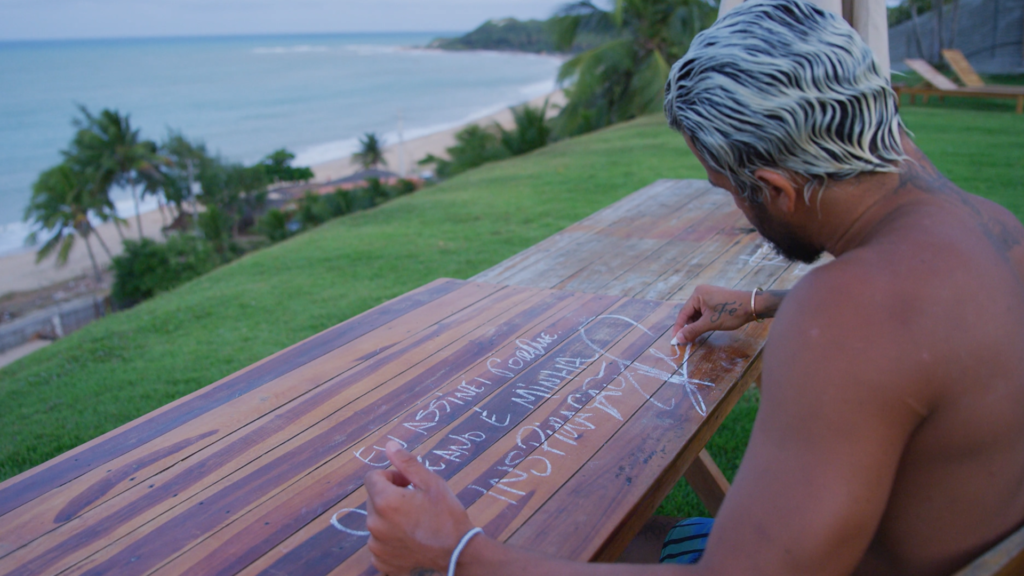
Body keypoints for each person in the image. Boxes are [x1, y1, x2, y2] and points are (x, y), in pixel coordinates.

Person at [362, 1, 1024, 574]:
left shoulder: (848, 319)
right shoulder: (995, 229)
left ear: (774, 189)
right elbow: (924, 339)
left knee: (532, 540)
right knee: (613, 534)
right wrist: (763, 303)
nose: (735, 206)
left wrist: (458, 553)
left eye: (726, 188)